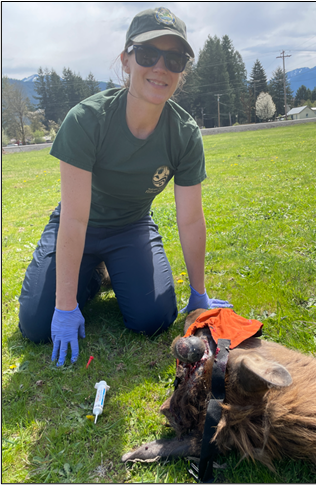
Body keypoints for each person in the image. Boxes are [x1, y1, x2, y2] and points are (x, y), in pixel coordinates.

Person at [18, 6, 232, 367]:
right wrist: (66, 306)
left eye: (175, 59)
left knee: (154, 319)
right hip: (77, 225)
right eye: (148, 54)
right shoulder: (86, 120)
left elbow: (191, 220)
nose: (161, 67)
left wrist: (199, 294)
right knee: (38, 326)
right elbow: (73, 220)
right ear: (126, 60)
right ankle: (94, 273)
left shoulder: (184, 134)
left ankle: (112, 266)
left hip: (131, 227)